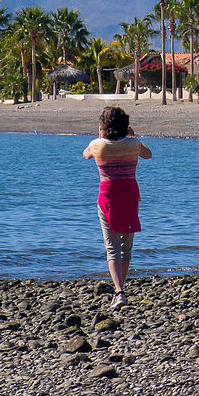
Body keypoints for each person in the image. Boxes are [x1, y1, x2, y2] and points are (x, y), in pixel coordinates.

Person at [82, 106, 151, 308]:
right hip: (130, 195)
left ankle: (119, 291)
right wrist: (133, 135)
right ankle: (121, 288)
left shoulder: (97, 145)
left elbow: (85, 154)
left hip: (108, 197)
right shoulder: (133, 144)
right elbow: (148, 154)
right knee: (125, 245)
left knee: (112, 247)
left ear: (104, 126)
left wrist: (100, 134)